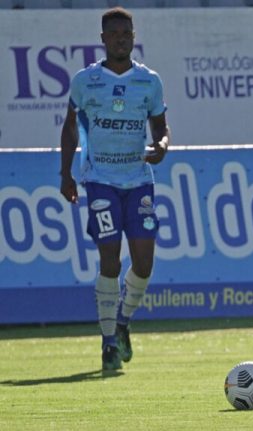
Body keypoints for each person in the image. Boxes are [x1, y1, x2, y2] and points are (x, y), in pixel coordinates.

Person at [59, 7, 170, 371]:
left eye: (127, 33)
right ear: (103, 39)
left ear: (134, 37)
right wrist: (66, 174)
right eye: (115, 34)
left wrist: (163, 146)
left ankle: (123, 322)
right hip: (100, 180)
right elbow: (71, 127)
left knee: (144, 263)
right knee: (110, 257)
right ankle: (108, 341)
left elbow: (161, 128)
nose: (121, 39)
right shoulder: (85, 81)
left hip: (139, 181)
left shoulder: (149, 81)